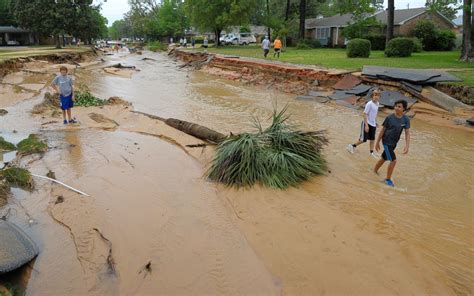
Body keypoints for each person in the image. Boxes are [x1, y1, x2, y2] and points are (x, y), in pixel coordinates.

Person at [373, 100, 411, 187]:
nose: (396, 108)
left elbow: (407, 133)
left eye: (399, 107)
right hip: (386, 142)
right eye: (396, 106)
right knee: (393, 161)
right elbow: (382, 130)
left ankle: (374, 170)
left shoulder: (406, 119)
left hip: (394, 143)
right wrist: (377, 142)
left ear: (404, 109)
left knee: (384, 158)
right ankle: (388, 179)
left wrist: (407, 146)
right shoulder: (389, 118)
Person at [347, 89, 381, 158]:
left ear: (379, 97)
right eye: (375, 95)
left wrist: (375, 122)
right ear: (372, 96)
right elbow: (364, 114)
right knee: (363, 139)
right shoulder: (369, 104)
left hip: (373, 124)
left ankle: (371, 152)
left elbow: (374, 114)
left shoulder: (377, 104)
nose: (376, 97)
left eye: (378, 95)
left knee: (372, 139)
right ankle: (351, 146)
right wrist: (366, 125)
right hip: (366, 123)